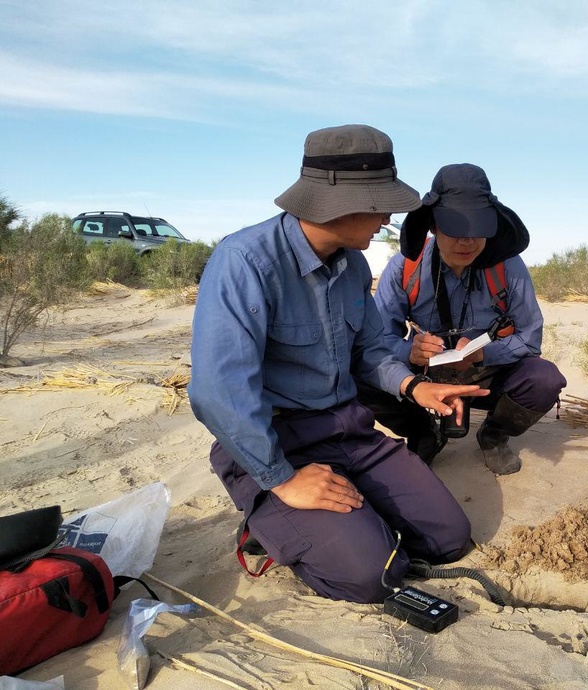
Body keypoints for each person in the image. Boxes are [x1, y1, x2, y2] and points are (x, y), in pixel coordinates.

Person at [188, 125, 489, 604]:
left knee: (448, 539)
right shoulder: (245, 261)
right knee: (373, 577)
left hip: (349, 432)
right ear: (340, 203)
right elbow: (216, 392)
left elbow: (370, 352)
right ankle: (272, 522)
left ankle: (344, 523)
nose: (388, 215)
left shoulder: (352, 266)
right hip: (278, 445)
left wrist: (415, 387)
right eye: (380, 203)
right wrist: (283, 480)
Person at [359, 163, 567, 475]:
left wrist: (484, 354)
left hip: (486, 375)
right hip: (424, 376)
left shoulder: (508, 267)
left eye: (477, 228)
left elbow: (530, 337)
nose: (466, 241)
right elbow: (376, 340)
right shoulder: (405, 268)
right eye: (455, 228)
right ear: (432, 225)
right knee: (360, 375)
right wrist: (409, 352)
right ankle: (423, 432)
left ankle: (494, 435)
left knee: (544, 379)